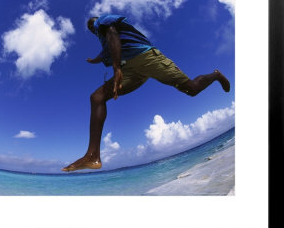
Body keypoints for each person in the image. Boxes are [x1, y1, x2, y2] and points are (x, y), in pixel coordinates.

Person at [62, 14, 230, 172]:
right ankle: (93, 157)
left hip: (146, 57)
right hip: (131, 71)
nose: (93, 29)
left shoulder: (103, 22)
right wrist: (94, 60)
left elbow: (112, 32)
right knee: (97, 97)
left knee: (191, 89)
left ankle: (216, 75)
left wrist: (116, 68)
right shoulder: (104, 44)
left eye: (92, 26)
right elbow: (103, 54)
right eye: (91, 29)